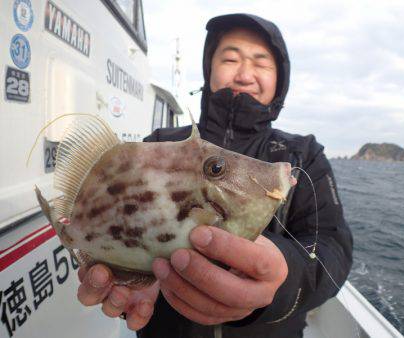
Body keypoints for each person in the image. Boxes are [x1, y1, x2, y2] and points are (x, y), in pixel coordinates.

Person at [77, 13, 353, 338]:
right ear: (210, 68)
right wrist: (126, 275)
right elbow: (117, 219)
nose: (245, 72)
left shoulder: (303, 155)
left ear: (280, 78)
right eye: (231, 58)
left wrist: (284, 276)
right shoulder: (162, 145)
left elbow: (332, 246)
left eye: (261, 62)